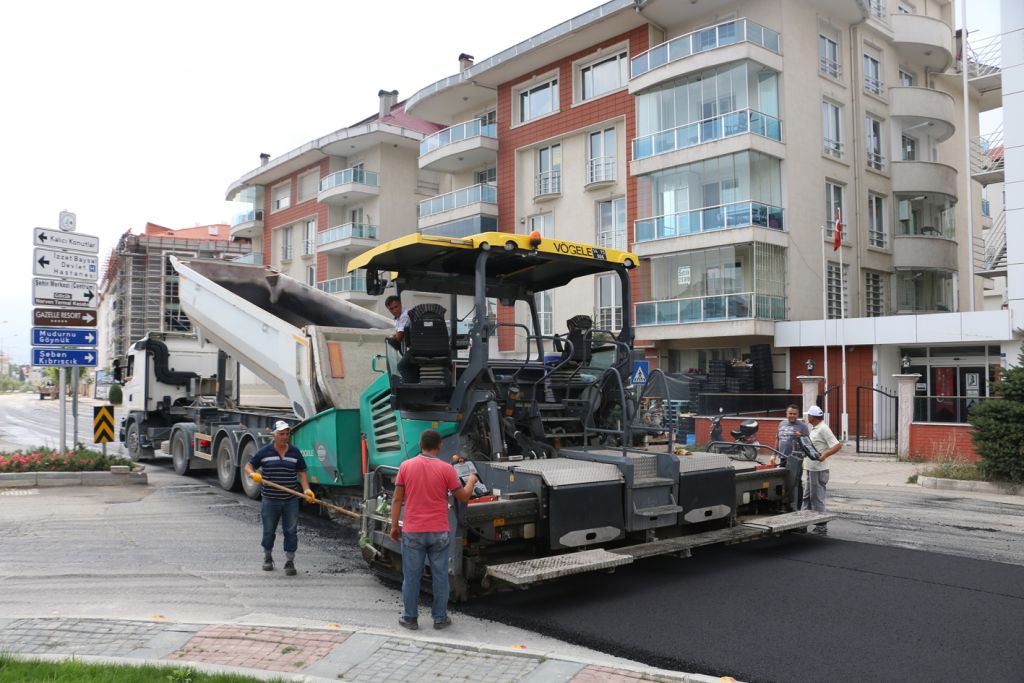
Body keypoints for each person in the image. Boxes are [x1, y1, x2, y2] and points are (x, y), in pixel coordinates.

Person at [389, 430, 478, 630]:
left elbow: (397, 499)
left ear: (420, 445)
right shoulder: (447, 469)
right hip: (439, 531)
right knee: (440, 576)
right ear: (439, 446)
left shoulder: (406, 466)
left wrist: (394, 525)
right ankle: (440, 618)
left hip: (413, 531)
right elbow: (463, 497)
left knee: (412, 577)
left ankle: (410, 618)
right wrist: (471, 481)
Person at [244, 420, 315, 575]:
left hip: (291, 500)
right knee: (269, 531)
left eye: (287, 434)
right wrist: (252, 474)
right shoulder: (264, 452)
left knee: (291, 531)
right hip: (270, 500)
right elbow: (248, 466)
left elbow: (302, 472)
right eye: (281, 434)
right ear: (274, 435)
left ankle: (290, 561)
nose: (285, 437)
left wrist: (307, 490)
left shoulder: (295, 452)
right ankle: (268, 558)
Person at [804, 405, 842, 534]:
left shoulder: (823, 429)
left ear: (813, 417)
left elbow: (837, 445)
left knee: (817, 498)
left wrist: (825, 455)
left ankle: (821, 527)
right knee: (807, 497)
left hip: (819, 470)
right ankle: (802, 523)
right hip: (811, 468)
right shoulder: (815, 428)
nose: (807, 417)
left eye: (808, 415)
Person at [776, 404, 810, 512]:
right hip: (782, 458)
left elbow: (806, 442)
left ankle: (798, 506)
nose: (792, 416)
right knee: (782, 482)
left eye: (794, 414)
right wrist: (773, 454)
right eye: (790, 413)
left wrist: (804, 457)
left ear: (797, 414)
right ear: (786, 413)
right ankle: (784, 504)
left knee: (796, 482)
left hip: (796, 459)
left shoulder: (803, 426)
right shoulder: (781, 424)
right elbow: (778, 439)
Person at [385, 295, 418, 383]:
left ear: (400, 304)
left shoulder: (405, 315)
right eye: (391, 309)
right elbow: (397, 334)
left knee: (401, 366)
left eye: (396, 307)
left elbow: (398, 337)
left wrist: (394, 336)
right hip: (410, 348)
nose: (394, 310)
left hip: (415, 347)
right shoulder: (398, 318)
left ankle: (410, 389)